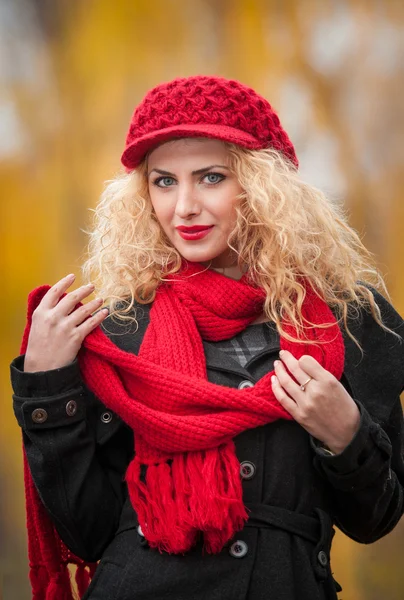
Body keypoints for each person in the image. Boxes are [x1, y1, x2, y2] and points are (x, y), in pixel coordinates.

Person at [11, 75, 404, 600]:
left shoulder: (345, 321)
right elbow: (89, 531)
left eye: (211, 177)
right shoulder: (117, 329)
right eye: (164, 181)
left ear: (262, 186)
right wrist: (47, 383)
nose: (184, 206)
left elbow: (374, 520)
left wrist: (345, 434)